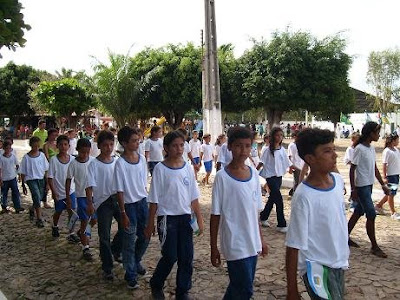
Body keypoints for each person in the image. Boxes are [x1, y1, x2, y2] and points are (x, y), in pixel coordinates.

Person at [285, 128, 349, 300]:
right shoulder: (303, 196)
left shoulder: (337, 182)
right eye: (327, 151)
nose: (334, 155)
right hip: (317, 268)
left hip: (339, 262)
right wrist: (292, 289)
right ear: (310, 159)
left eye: (333, 149)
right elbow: (293, 245)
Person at [144, 130, 204, 300]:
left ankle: (182, 291)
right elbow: (154, 200)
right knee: (170, 256)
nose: (179, 149)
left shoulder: (187, 168)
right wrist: (150, 224)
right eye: (174, 146)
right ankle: (156, 283)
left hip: (185, 218)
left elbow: (194, 196)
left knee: (186, 257)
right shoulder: (160, 170)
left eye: (181, 145)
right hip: (167, 219)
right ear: (166, 148)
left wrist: (199, 219)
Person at [210, 127, 267, 299]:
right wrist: (214, 247)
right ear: (229, 147)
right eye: (238, 146)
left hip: (252, 242)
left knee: (241, 286)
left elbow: (255, 212)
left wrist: (261, 239)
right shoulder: (222, 178)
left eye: (247, 146)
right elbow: (215, 216)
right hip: (234, 242)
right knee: (245, 289)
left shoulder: (254, 175)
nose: (243, 151)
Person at [113, 126, 149, 289]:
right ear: (124, 143)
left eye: (138, 140)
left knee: (146, 236)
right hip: (128, 206)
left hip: (142, 203)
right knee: (128, 241)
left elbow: (143, 183)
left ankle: (135, 261)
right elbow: (119, 190)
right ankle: (131, 274)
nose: (138, 143)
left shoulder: (142, 159)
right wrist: (122, 212)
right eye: (134, 141)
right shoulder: (120, 164)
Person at [348, 121, 390, 258]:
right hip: (361, 186)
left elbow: (375, 168)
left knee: (358, 212)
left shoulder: (371, 148)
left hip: (369, 185)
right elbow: (352, 169)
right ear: (370, 133)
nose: (379, 135)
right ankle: (374, 246)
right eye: (377, 132)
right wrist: (353, 189)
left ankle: (344, 237)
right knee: (371, 214)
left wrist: (382, 184)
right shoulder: (359, 148)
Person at [86, 130, 122, 280]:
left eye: (111, 144)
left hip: (117, 198)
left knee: (126, 228)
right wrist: (90, 203)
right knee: (104, 235)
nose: (109, 148)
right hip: (103, 202)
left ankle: (115, 249)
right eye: (105, 145)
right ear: (99, 146)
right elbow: (89, 186)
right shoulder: (93, 164)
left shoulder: (117, 161)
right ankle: (107, 266)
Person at [66, 138, 96, 261]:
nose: (85, 155)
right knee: (84, 220)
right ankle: (85, 247)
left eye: (87, 152)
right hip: (81, 196)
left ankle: (82, 232)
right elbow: (68, 180)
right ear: (77, 150)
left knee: (93, 220)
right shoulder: (73, 163)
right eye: (82, 152)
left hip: (95, 196)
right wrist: (68, 196)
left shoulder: (93, 161)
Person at [257, 127, 292, 231]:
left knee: (272, 199)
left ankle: (263, 217)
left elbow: (286, 161)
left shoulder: (281, 149)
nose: (279, 137)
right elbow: (261, 162)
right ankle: (281, 224)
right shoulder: (267, 150)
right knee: (279, 200)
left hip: (279, 177)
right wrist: (254, 172)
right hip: (270, 177)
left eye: (281, 135)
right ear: (273, 136)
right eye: (277, 135)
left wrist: (291, 167)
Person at [48, 135, 79, 242]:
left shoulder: (73, 160)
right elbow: (50, 178)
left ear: (69, 146)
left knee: (72, 212)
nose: (63, 146)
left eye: (65, 144)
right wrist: (53, 191)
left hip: (71, 190)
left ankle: (71, 232)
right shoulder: (53, 160)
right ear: (57, 146)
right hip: (59, 192)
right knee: (58, 211)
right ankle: (55, 226)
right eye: (60, 144)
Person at [20, 136, 49, 228]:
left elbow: (46, 169)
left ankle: (32, 208)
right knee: (36, 195)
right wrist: (23, 184)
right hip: (31, 179)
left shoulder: (42, 155)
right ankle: (39, 218)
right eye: (34, 146)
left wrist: (47, 181)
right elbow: (23, 171)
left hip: (41, 179)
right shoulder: (26, 157)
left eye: (37, 146)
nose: (36, 148)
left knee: (39, 197)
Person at [374, 133, 400, 220]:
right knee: (391, 194)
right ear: (392, 141)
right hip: (391, 175)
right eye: (397, 140)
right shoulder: (387, 151)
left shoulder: (396, 150)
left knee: (390, 193)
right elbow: (384, 164)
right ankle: (393, 212)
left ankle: (378, 206)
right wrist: (384, 177)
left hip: (396, 174)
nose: (398, 141)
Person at [0, 140, 24, 213]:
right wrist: (0, 179)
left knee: (16, 192)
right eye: (6, 148)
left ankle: (17, 206)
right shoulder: (1, 158)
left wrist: (19, 174)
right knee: (4, 193)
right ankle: (4, 206)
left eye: (9, 148)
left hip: (12, 177)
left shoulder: (13, 156)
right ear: (4, 149)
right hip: (4, 178)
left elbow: (17, 165)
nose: (8, 150)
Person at [344, 132, 361, 211]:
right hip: (353, 170)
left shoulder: (359, 148)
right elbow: (348, 160)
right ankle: (353, 204)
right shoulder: (350, 149)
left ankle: (354, 200)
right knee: (353, 186)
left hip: (359, 170)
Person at [288, 131, 305, 196]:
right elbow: (289, 156)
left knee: (300, 181)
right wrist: (290, 167)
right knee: (297, 181)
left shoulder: (301, 145)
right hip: (295, 166)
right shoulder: (292, 145)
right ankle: (295, 194)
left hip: (301, 166)